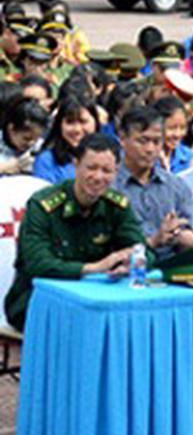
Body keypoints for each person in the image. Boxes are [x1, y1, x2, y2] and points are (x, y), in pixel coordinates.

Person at [5, 134, 145, 330]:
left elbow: (143, 251)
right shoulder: (43, 205)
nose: (98, 177)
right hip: (37, 301)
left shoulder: (117, 206)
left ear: (116, 171)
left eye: (106, 171)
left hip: (94, 298)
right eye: (91, 168)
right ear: (76, 164)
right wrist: (93, 268)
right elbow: (38, 264)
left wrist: (130, 262)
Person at [115, 105, 193, 260]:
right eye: (142, 141)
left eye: (156, 142)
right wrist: (154, 240)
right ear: (122, 139)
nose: (150, 149)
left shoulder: (175, 185)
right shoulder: (107, 185)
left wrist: (177, 235)